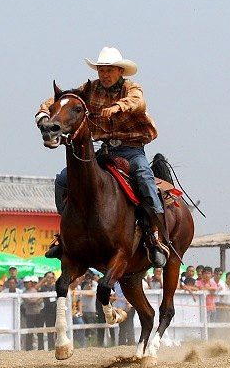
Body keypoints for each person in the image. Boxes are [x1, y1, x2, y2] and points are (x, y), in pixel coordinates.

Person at [35, 46, 169, 267]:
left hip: (131, 149)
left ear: (120, 71)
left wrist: (118, 106)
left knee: (144, 177)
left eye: (109, 70)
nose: (104, 75)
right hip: (104, 150)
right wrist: (43, 111)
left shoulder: (131, 88)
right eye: (101, 70)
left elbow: (138, 102)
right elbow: (63, 100)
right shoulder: (90, 89)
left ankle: (154, 236)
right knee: (62, 179)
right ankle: (65, 236)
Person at [21, 276, 46, 350]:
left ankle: (41, 348)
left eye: (27, 283)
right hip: (30, 314)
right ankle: (29, 348)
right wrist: (38, 299)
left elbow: (39, 300)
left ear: (30, 283)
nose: (26, 284)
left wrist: (36, 300)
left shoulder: (35, 290)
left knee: (40, 332)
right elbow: (30, 301)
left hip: (39, 313)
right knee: (29, 332)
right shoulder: (24, 292)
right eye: (25, 283)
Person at [37, 271, 58, 350]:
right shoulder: (43, 287)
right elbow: (35, 289)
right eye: (48, 277)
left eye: (51, 277)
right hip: (46, 310)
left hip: (55, 310)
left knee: (58, 330)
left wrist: (55, 280)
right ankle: (50, 348)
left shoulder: (56, 286)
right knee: (49, 330)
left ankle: (58, 346)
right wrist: (43, 280)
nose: (50, 279)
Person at [113, 280, 135, 346]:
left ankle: (130, 344)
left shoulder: (126, 282)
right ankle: (122, 344)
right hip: (120, 308)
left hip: (128, 306)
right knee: (122, 327)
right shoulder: (116, 283)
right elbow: (117, 294)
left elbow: (130, 292)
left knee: (129, 326)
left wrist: (128, 303)